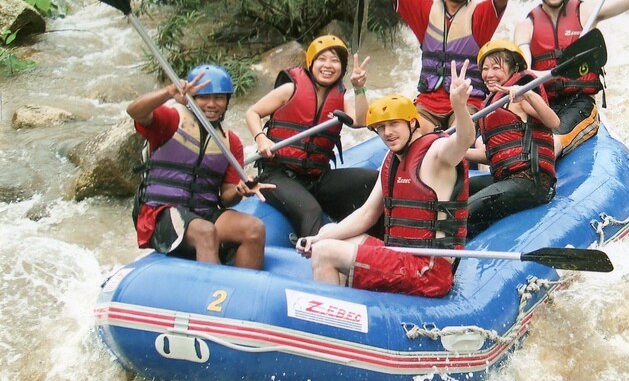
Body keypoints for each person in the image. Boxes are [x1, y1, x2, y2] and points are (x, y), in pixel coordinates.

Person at [295, 61, 476, 297]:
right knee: (330, 233)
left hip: (427, 270)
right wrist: (316, 237)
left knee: (325, 252)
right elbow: (367, 214)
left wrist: (459, 107)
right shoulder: (391, 162)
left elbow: (463, 140)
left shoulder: (436, 153)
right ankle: (347, 304)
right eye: (381, 127)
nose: (387, 132)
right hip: (400, 257)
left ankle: (328, 320)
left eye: (394, 124)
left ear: (412, 123)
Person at [358, 0, 519, 134]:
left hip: (468, 101)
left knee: (457, 137)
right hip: (428, 103)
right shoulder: (423, 10)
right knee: (412, 134)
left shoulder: (480, 14)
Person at [128, 64, 271, 270]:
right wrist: (168, 92)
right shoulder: (171, 120)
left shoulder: (231, 143)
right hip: (160, 214)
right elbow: (135, 111)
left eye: (219, 98)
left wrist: (240, 190)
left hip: (203, 212)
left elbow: (226, 196)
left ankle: (241, 294)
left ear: (227, 101)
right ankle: (214, 295)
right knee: (205, 231)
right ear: (192, 99)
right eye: (204, 97)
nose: (212, 104)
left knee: (254, 228)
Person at [514, 0, 629, 157]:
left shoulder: (587, 12)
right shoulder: (526, 25)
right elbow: (525, 71)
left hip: (578, 101)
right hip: (544, 104)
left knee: (551, 145)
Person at [245, 35, 380, 239]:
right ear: (311, 63)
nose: (328, 65)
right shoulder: (291, 88)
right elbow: (252, 112)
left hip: (316, 177)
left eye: (334, 60)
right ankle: (316, 259)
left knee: (373, 180)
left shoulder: (340, 99)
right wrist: (261, 138)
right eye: (322, 59)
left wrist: (359, 87)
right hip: (278, 174)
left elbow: (363, 120)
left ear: (342, 68)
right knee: (311, 211)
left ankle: (381, 246)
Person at [465, 40, 560, 237]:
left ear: (514, 68)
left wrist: (527, 96)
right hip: (505, 178)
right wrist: (453, 150)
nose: (489, 74)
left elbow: (553, 121)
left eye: (496, 68)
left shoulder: (521, 98)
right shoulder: (491, 105)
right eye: (485, 68)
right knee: (454, 190)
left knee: (464, 210)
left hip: (530, 182)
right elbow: (490, 155)